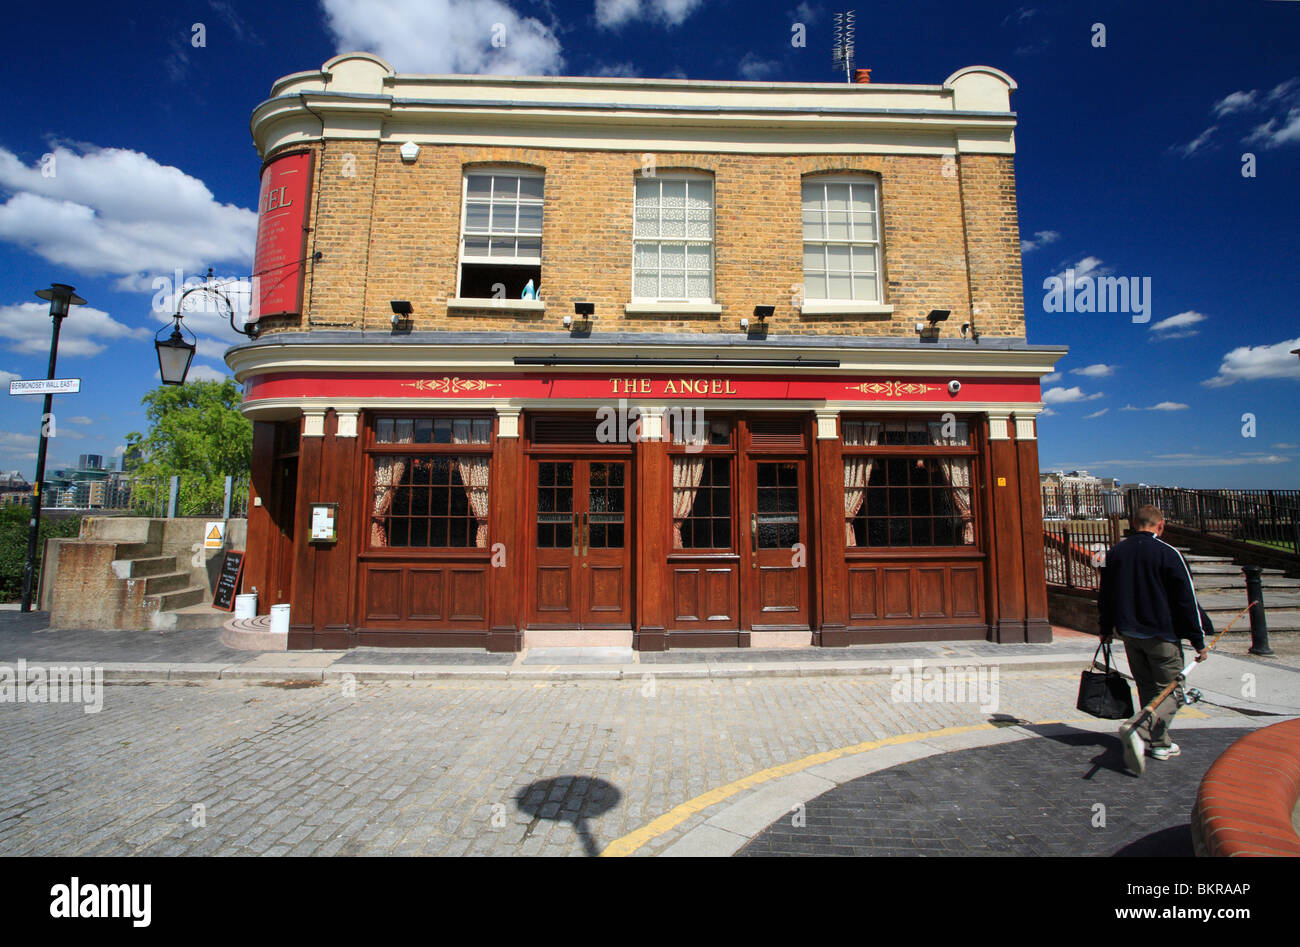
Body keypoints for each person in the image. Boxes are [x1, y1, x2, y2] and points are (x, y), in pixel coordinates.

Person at [1098, 504, 1210, 770]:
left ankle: (1160, 744)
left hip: (1129, 632)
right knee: (1174, 690)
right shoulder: (1169, 553)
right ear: (1161, 525)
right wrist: (1198, 639)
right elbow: (1186, 599)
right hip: (1161, 633)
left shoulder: (1116, 553)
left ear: (1133, 523)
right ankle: (1140, 728)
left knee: (1148, 689)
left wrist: (1105, 629)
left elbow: (1106, 596)